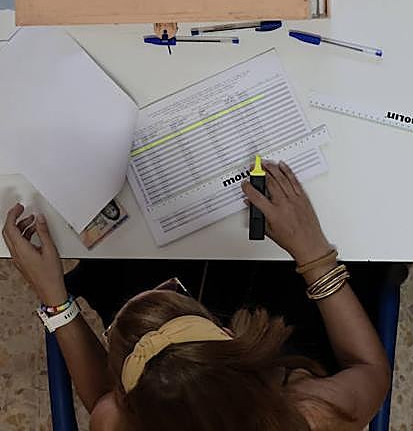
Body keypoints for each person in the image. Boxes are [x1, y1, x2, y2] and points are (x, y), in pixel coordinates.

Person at [2, 160, 392, 431]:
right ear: (234, 342)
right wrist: (314, 256)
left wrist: (56, 300)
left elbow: (104, 402)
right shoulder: (311, 413)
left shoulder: (113, 415)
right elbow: (372, 371)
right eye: (176, 297)